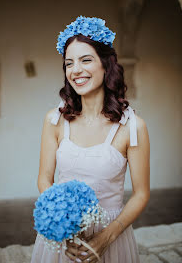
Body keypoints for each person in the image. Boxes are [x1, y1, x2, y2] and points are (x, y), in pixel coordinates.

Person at [31, 16, 150, 263]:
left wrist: (106, 237)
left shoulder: (132, 127)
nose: (76, 70)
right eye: (69, 63)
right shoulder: (54, 120)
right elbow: (44, 178)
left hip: (112, 238)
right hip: (62, 241)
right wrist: (63, 225)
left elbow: (141, 194)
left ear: (106, 65)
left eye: (86, 60)